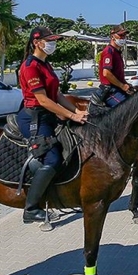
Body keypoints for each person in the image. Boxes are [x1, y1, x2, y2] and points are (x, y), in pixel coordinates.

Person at [17, 27, 88, 223]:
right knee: (52, 160)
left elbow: (56, 95)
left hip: (49, 114)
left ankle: (66, 196)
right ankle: (31, 209)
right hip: (34, 118)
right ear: (37, 42)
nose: (53, 44)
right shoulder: (30, 66)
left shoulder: (45, 64)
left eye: (54, 40)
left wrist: (76, 112)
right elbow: (43, 100)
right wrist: (70, 116)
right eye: (49, 40)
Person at [98, 24, 134, 107]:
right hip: (110, 90)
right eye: (120, 35)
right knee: (127, 108)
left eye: (124, 35)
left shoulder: (117, 52)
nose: (123, 38)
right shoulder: (109, 51)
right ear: (112, 36)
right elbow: (106, 73)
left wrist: (126, 84)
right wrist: (122, 86)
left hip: (117, 89)